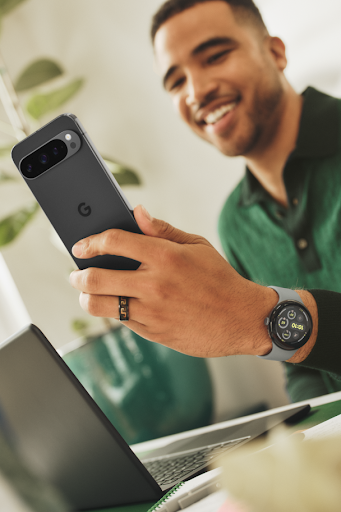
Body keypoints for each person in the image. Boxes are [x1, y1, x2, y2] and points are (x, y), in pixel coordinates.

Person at [69, 0, 341, 400]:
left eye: (215, 56)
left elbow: (273, 332)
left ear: (275, 52)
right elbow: (305, 375)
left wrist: (256, 315)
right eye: (176, 82)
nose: (197, 91)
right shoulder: (235, 222)